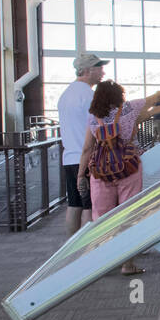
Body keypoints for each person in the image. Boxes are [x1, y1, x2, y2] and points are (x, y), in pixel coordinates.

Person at [77, 78, 160, 275]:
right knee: (130, 216)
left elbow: (88, 147)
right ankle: (127, 263)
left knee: (101, 219)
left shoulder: (93, 117)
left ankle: (98, 264)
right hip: (128, 168)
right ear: (119, 96)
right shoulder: (129, 109)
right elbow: (156, 99)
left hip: (100, 171)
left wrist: (81, 175)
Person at [58, 52, 107, 238]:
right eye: (99, 67)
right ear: (87, 70)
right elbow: (97, 128)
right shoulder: (88, 95)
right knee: (89, 206)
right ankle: (87, 250)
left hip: (70, 157)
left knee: (74, 205)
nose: (102, 72)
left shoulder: (66, 94)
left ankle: (71, 250)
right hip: (87, 158)